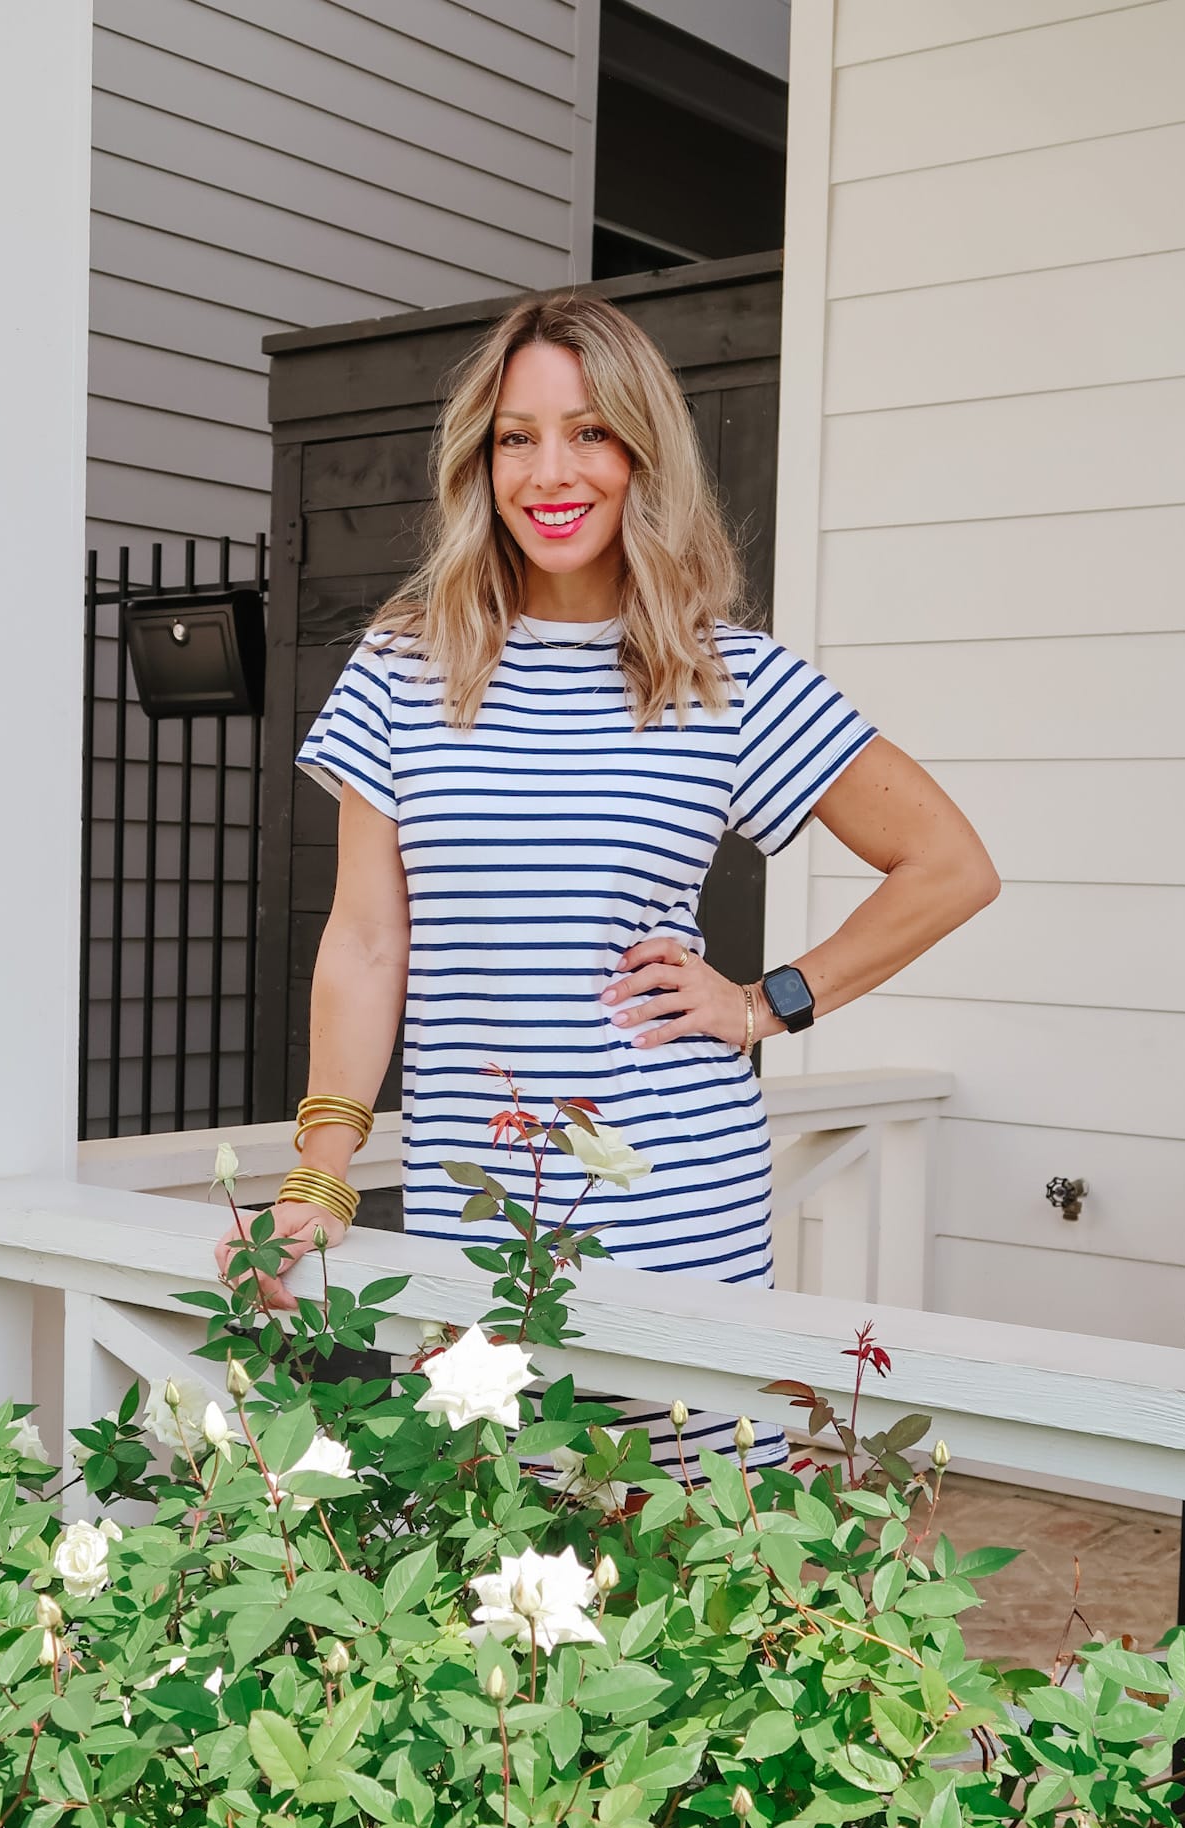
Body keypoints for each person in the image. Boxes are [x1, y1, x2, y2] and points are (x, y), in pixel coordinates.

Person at [215, 292, 999, 1476]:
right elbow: (368, 940)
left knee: (692, 1566)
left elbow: (950, 865)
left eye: (589, 431)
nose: (551, 471)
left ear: (642, 451)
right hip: (481, 1217)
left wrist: (765, 1000)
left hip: (681, 1204)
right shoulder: (403, 665)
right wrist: (323, 1166)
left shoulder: (724, 674)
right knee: (498, 1574)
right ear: (481, 463)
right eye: (516, 437)